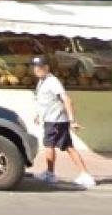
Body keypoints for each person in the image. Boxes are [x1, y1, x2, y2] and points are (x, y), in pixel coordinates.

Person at [32, 56, 95, 188]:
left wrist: (72, 120)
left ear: (47, 68)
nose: (38, 69)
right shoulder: (41, 82)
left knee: (51, 146)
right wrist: (38, 114)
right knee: (66, 147)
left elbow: (66, 99)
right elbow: (44, 101)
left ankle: (53, 174)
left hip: (56, 120)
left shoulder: (52, 81)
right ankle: (81, 174)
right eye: (36, 67)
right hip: (51, 119)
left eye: (41, 66)